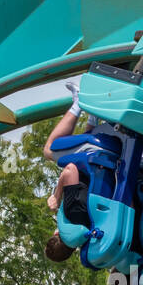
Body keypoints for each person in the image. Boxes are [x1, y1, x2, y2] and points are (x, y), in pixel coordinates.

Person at [43, 82, 93, 230]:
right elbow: (70, 170)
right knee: (48, 150)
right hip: (95, 159)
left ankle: (93, 114)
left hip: (100, 167)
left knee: (84, 151)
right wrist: (57, 196)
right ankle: (78, 102)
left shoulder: (89, 226)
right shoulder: (74, 216)